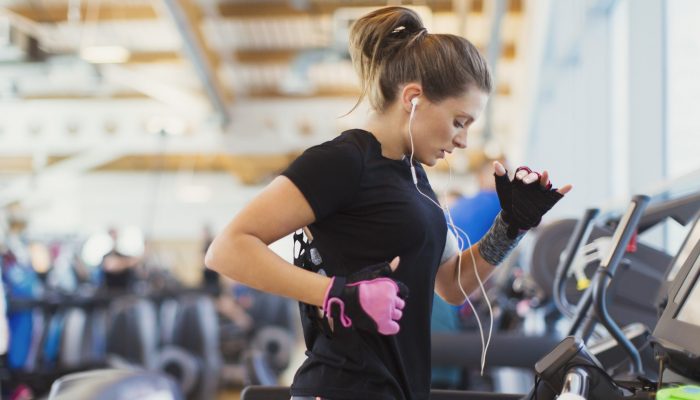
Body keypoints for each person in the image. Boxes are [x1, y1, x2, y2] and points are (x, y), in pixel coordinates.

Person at [205, 6, 572, 400]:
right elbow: (227, 250)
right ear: (413, 98)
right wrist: (338, 293)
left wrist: (510, 227)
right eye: (459, 121)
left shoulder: (415, 177)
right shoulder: (344, 161)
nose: (464, 140)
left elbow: (450, 285)